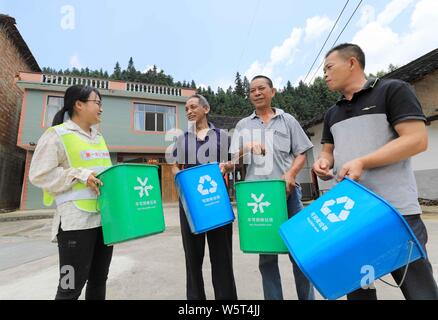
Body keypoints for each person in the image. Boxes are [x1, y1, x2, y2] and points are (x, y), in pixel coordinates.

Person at [312, 43, 438, 300]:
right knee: (359, 291)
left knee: (419, 290)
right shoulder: (332, 113)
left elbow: (416, 139)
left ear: (352, 63)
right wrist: (323, 163)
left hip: (396, 212)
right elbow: (327, 151)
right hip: (351, 216)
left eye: (329, 67)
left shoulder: (392, 90)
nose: (324, 74)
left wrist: (363, 162)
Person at [223, 75, 315, 300]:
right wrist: (248, 147)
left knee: (299, 252)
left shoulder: (288, 120)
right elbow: (233, 159)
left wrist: (291, 174)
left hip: (289, 193)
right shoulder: (243, 125)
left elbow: (301, 153)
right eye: (252, 90)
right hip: (259, 198)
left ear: (272, 91)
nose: (256, 93)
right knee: (266, 257)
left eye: (261, 88)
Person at [29, 85, 113, 300]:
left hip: (104, 222)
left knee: (98, 281)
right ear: (79, 104)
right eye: (98, 103)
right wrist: (78, 174)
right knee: (69, 287)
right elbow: (39, 174)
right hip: (75, 225)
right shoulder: (57, 134)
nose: (101, 109)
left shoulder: (98, 138)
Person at [169, 94, 238, 300]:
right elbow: (173, 165)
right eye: (186, 109)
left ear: (205, 109)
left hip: (217, 202)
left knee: (222, 257)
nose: (189, 111)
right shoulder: (182, 139)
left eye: (192, 107)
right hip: (190, 203)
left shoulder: (223, 136)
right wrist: (180, 178)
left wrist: (228, 166)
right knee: (193, 257)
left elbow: (234, 161)